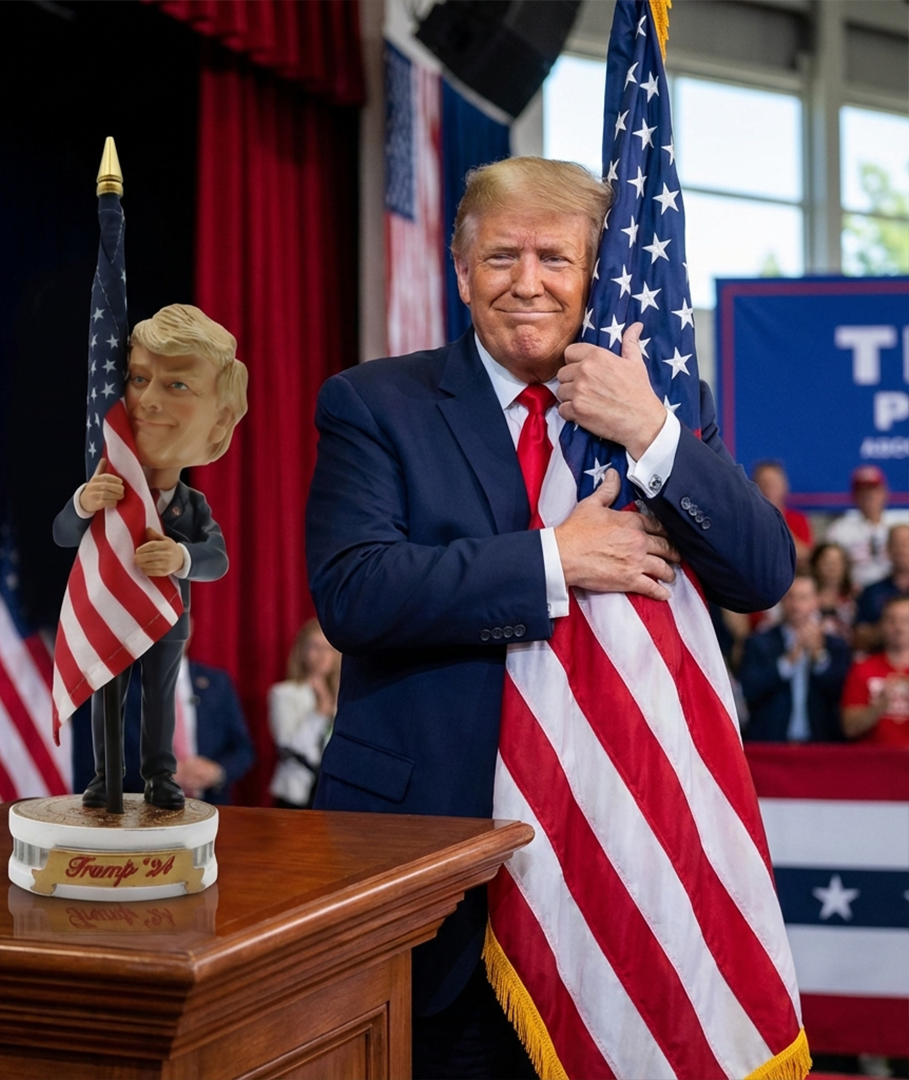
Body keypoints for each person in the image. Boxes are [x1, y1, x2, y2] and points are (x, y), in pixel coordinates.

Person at [305, 157, 795, 1077]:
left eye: (554, 258)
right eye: (501, 257)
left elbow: (762, 571)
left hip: (621, 870)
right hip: (428, 874)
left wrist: (650, 430)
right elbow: (355, 592)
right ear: (461, 272)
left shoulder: (658, 403)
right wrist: (552, 561)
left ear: (593, 274)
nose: (527, 283)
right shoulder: (374, 403)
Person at [54, 304, 248, 810]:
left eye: (177, 384)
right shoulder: (108, 490)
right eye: (138, 379)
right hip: (109, 608)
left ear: (220, 422)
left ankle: (161, 776)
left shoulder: (191, 504)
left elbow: (217, 558)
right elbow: (63, 533)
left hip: (167, 616)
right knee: (107, 691)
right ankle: (106, 776)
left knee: (161, 697)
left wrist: (180, 556)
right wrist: (84, 502)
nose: (148, 400)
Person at [738, 574, 851, 742]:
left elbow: (841, 694)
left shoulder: (835, 645)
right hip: (770, 744)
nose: (796, 605)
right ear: (782, 601)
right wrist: (787, 662)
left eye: (803, 598)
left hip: (820, 745)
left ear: (816, 601)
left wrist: (819, 657)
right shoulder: (759, 643)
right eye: (790, 597)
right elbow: (748, 689)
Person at [172, 620, 255, 804]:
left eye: (178, 624)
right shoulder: (126, 688)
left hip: (211, 804)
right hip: (146, 806)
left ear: (190, 629)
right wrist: (159, 775)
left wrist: (216, 771)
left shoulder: (217, 683)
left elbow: (243, 749)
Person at [268, 618, 340, 809]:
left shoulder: (345, 696)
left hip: (334, 795)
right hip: (296, 794)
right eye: (315, 647)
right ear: (303, 651)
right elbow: (290, 747)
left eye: (328, 648)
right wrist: (320, 712)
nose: (322, 655)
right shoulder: (284, 694)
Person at [826, 465, 909, 590]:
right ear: (854, 496)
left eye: (874, 490)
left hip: (897, 590)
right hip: (854, 593)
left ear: (884, 492)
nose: (869, 496)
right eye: (863, 491)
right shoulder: (840, 530)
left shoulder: (901, 524)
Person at [842, 595, 909, 747]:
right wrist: (879, 707)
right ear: (882, 625)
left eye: (906, 620)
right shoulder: (863, 668)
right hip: (872, 758)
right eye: (892, 620)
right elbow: (849, 728)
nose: (899, 627)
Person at [853, 523, 909, 654]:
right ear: (887, 549)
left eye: (906, 543)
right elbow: (858, 639)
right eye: (896, 544)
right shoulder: (871, 592)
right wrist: (890, 628)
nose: (902, 549)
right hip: (880, 661)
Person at [753, 460, 813, 565]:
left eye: (772, 484)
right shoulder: (747, 520)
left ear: (784, 486)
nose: (768, 490)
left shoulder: (798, 519)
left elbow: (807, 555)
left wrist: (777, 521)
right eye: (764, 484)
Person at [811, 541, 856, 644]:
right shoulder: (806, 595)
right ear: (816, 564)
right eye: (827, 562)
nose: (832, 567)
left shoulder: (855, 596)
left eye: (837, 562)